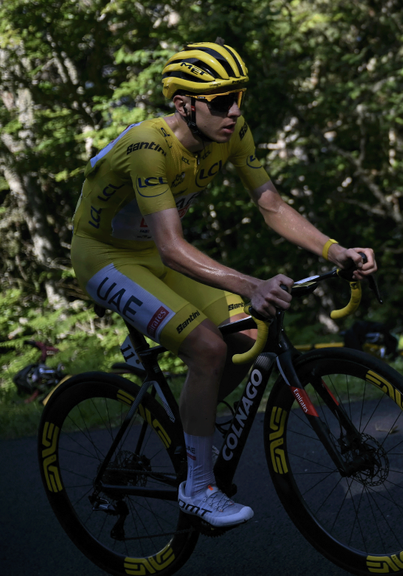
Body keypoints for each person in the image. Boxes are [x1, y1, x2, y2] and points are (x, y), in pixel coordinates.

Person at [70, 41, 377, 528]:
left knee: (249, 335)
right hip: (104, 257)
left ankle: (196, 415)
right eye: (220, 101)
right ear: (183, 105)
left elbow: (271, 204)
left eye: (238, 98)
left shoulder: (232, 132)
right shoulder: (148, 148)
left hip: (155, 254)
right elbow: (173, 247)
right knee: (209, 348)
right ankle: (197, 487)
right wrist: (251, 282)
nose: (234, 111)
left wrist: (334, 249)